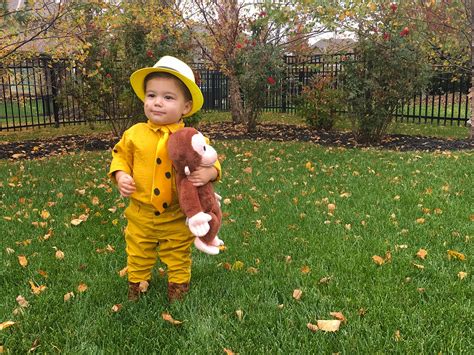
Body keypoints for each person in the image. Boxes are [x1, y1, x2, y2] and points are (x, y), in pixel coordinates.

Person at [108, 56, 221, 302]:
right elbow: (120, 156)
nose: (157, 103)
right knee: (137, 251)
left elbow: (211, 159)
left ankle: (178, 291)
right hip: (141, 214)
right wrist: (121, 175)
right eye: (151, 95)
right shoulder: (134, 134)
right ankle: (136, 287)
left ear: (186, 107)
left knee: (178, 253)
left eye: (168, 97)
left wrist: (210, 173)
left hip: (177, 214)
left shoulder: (190, 137)